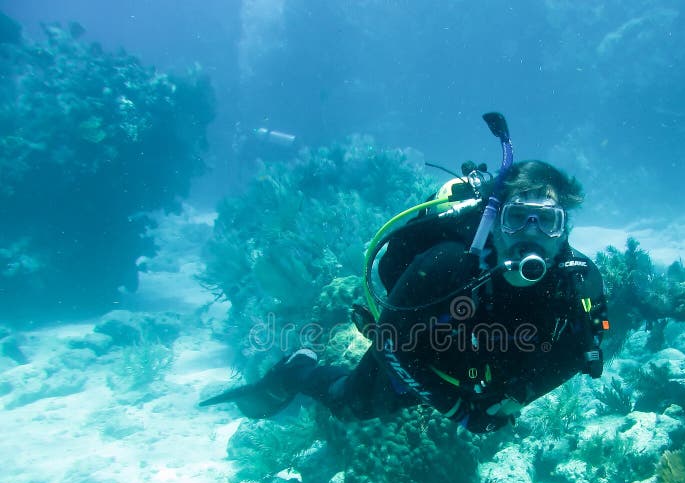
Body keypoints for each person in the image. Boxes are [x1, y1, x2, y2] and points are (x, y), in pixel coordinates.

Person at [201, 113, 608, 434]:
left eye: (547, 223)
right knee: (351, 405)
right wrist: (458, 410)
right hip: (425, 353)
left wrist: (523, 392)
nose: (531, 237)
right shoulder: (449, 263)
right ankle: (295, 370)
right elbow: (393, 344)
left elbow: (584, 353)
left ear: (565, 229)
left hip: (492, 367)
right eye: (518, 219)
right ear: (495, 220)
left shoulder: (578, 279)